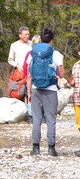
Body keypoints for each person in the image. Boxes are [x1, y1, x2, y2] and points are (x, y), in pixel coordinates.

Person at [26, 28, 64, 156]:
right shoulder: (56, 54)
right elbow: (61, 74)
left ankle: (35, 148)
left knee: (36, 119)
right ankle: (51, 148)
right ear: (51, 40)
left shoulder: (33, 53)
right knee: (51, 120)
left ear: (40, 39)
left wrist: (29, 91)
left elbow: (29, 75)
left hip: (36, 88)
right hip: (51, 90)